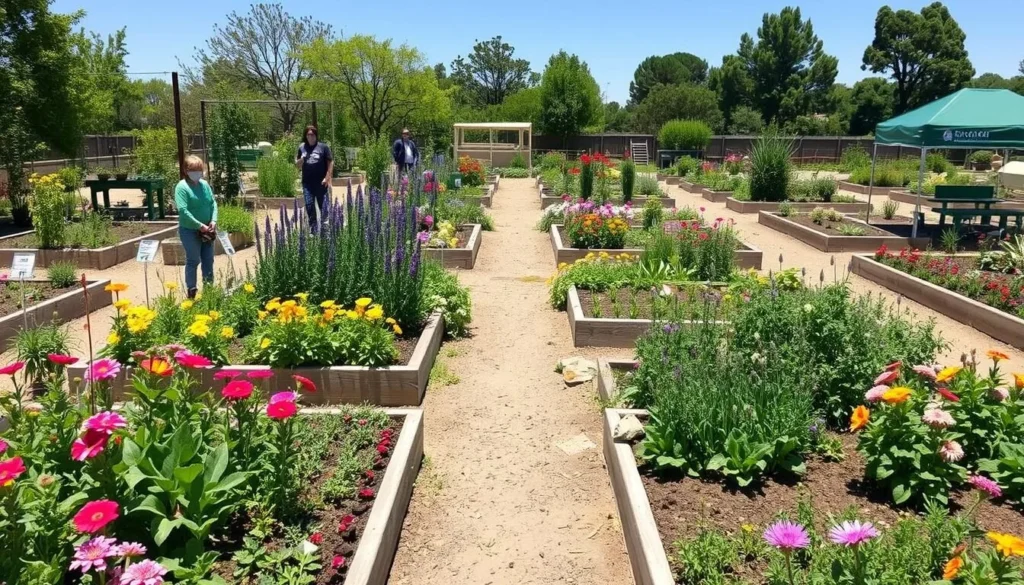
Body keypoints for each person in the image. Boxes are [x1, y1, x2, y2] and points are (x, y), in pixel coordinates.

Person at [174, 156, 218, 299]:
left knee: (208, 260)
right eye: (193, 170)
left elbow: (213, 203)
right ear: (186, 170)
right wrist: (199, 225)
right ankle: (191, 291)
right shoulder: (182, 187)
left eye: (199, 169)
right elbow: (183, 210)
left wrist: (213, 220)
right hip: (190, 230)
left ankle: (209, 292)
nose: (197, 172)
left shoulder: (204, 185)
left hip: (207, 230)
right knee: (193, 260)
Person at [295, 125, 333, 226]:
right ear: (305, 136)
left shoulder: (323, 147)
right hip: (307, 183)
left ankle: (326, 229)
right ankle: (313, 228)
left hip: (321, 183)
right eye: (308, 134)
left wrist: (327, 177)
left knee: (323, 208)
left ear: (316, 135)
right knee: (309, 205)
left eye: (312, 134)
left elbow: (330, 162)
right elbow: (297, 165)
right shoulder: (302, 147)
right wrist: (301, 160)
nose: (310, 136)